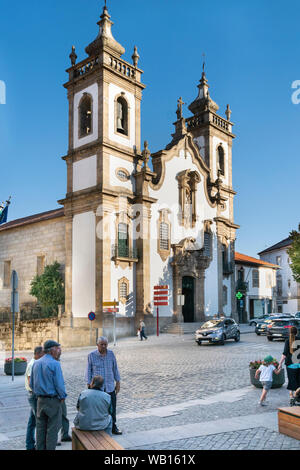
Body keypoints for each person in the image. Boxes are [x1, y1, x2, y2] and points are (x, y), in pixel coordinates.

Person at [30, 340, 67, 450]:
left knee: (40, 429)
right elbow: (59, 385)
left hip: (40, 400)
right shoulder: (55, 364)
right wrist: (62, 396)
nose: (58, 350)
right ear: (51, 350)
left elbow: (32, 383)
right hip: (52, 400)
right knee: (52, 430)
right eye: (57, 348)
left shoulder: (36, 363)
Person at [85, 337, 122, 435]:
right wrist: (89, 384)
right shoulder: (91, 355)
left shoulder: (111, 354)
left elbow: (115, 368)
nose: (104, 346)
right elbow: (88, 371)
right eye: (101, 344)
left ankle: (113, 426)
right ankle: (98, 427)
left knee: (112, 408)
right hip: (97, 388)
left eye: (105, 344)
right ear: (97, 345)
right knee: (98, 408)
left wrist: (118, 382)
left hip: (109, 386)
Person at [25, 346, 44, 450]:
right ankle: (33, 445)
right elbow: (30, 382)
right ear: (38, 354)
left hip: (33, 395)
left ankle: (30, 445)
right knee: (38, 421)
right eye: (43, 354)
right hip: (34, 396)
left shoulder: (35, 363)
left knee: (32, 422)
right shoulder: (33, 364)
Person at [278, 326, 300, 403]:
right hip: (299, 364)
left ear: (289, 332)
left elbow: (284, 354)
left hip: (290, 364)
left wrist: (280, 363)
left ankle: (291, 396)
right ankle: (296, 394)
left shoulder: (288, 341)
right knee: (298, 381)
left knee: (291, 380)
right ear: (296, 332)